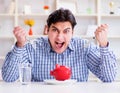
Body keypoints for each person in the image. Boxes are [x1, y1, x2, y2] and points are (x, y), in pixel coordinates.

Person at [2, 8, 117, 82]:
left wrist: (103, 45)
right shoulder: (33, 47)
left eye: (66, 31)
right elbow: (8, 77)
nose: (59, 37)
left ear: (73, 32)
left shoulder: (84, 47)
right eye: (55, 30)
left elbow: (109, 78)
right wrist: (20, 45)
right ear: (47, 30)